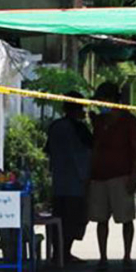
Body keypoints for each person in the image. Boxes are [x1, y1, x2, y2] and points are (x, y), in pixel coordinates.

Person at [88, 82, 136, 272]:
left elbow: (135, 149)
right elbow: (95, 147)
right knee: (101, 219)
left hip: (121, 175)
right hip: (99, 175)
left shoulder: (129, 120)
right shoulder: (100, 121)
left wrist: (133, 174)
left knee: (126, 218)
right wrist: (90, 174)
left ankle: (127, 256)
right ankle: (103, 257)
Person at [44, 92, 93, 263]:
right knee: (74, 220)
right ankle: (64, 252)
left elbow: (48, 151)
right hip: (77, 183)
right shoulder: (80, 129)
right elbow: (90, 150)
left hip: (59, 182)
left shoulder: (55, 126)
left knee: (59, 218)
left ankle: (59, 252)